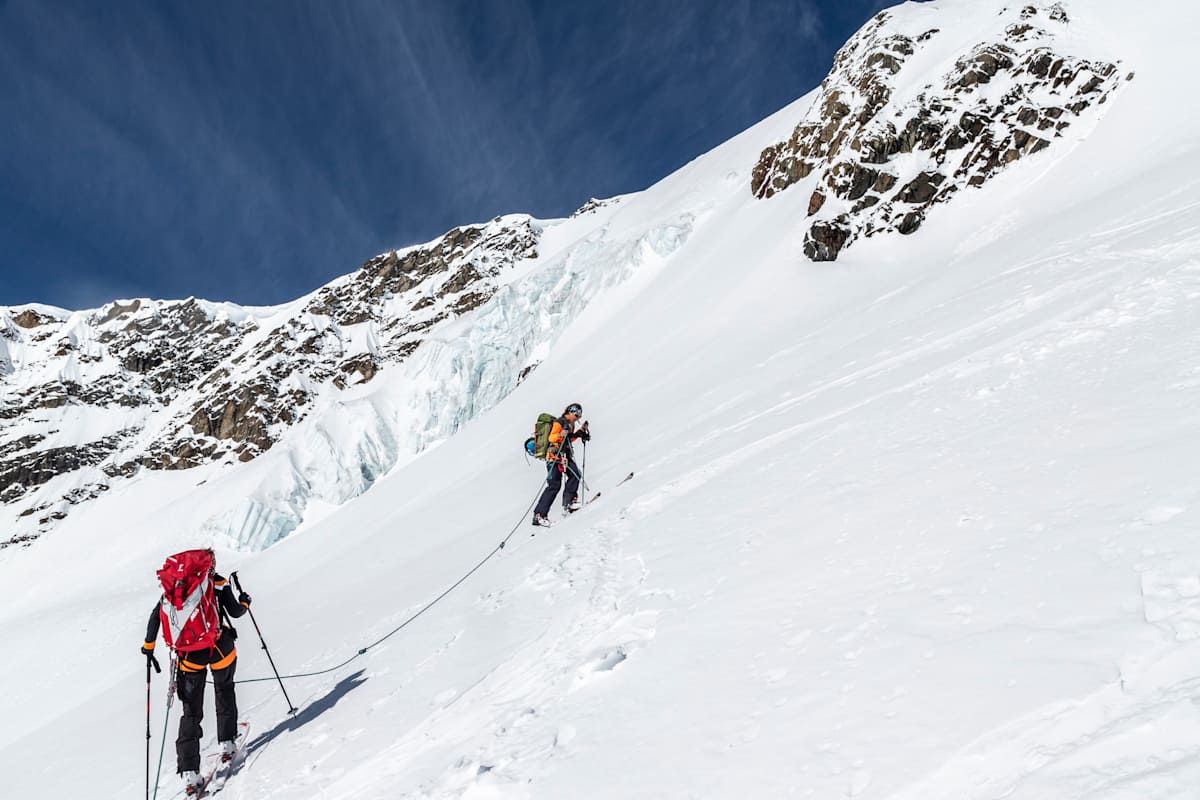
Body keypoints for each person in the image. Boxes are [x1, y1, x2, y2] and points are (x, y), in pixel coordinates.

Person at [142, 549, 251, 795]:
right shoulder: (217, 582)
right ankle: (227, 744)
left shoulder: (175, 590)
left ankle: (190, 773)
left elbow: (155, 618)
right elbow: (234, 612)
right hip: (220, 649)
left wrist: (148, 647)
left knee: (191, 712)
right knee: (224, 690)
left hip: (189, 658)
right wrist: (245, 602)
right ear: (210, 564)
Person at [532, 402, 591, 527]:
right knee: (554, 485)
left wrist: (580, 433)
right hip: (554, 457)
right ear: (569, 412)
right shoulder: (559, 422)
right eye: (576, 414)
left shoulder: (570, 424)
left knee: (575, 474)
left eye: (579, 416)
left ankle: (569, 503)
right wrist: (560, 434)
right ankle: (539, 515)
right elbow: (552, 438)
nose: (577, 417)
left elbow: (568, 439)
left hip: (563, 456)